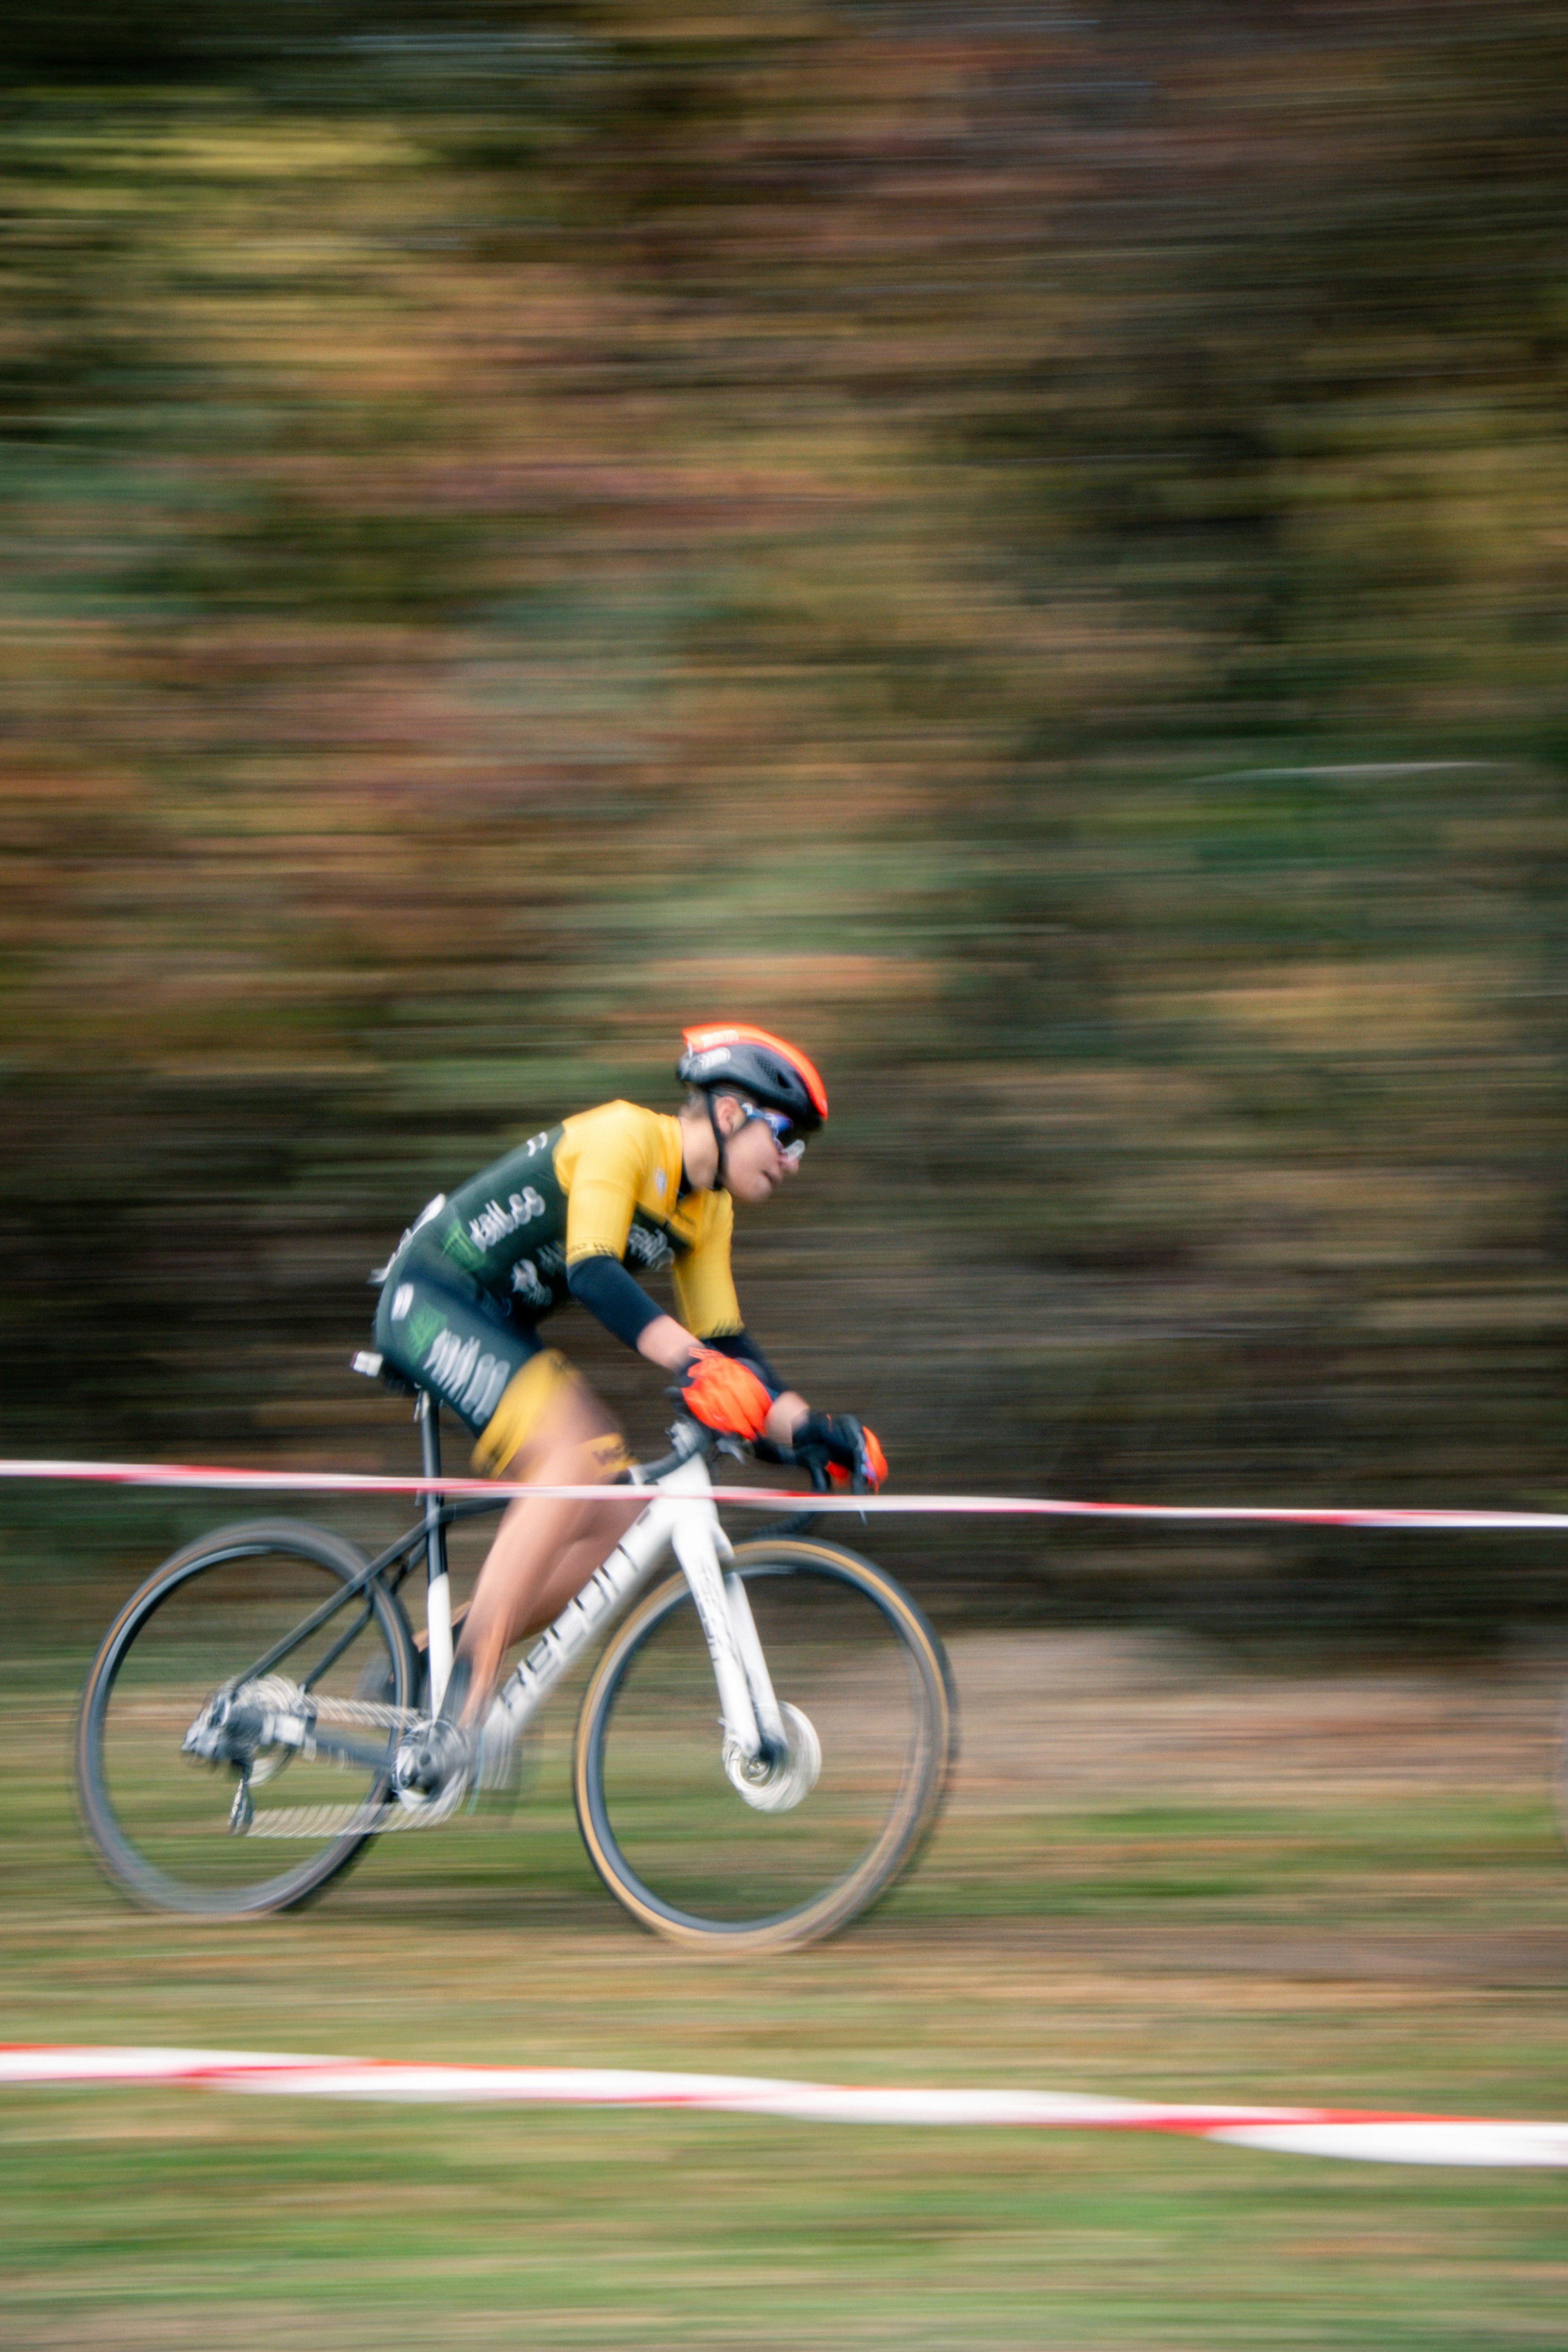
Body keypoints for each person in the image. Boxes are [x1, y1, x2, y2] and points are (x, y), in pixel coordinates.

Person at [370, 1023, 886, 1793]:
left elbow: (731, 1348)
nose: (791, 1161)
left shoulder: (707, 1211)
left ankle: (426, 1657)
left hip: (490, 1319)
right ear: (731, 1111)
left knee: (613, 1513)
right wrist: (694, 1363)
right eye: (785, 1137)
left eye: (801, 1148)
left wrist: (809, 1429)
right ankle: (463, 1706)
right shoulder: (625, 1137)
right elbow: (594, 1271)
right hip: (432, 1296)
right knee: (576, 1450)